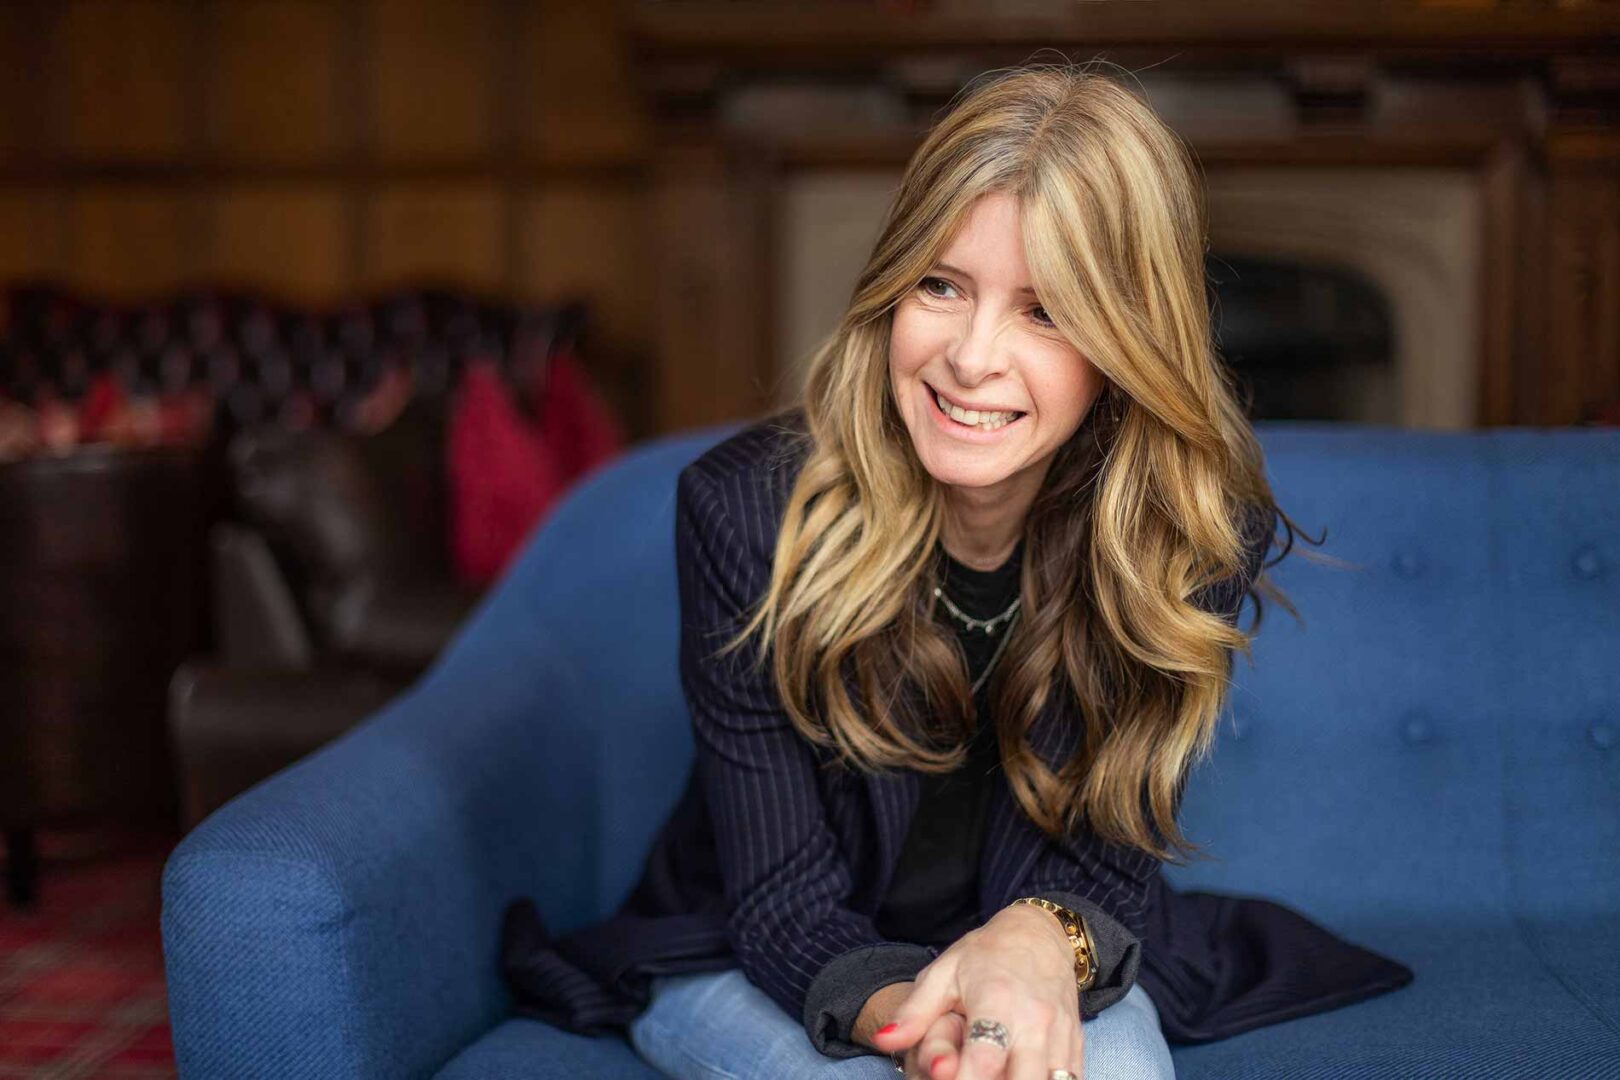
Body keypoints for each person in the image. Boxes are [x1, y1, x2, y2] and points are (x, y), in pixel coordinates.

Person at [499, 61, 1413, 1080]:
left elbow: (1110, 862)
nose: (973, 359)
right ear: (892, 285)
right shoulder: (746, 515)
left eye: (1046, 311)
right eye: (941, 285)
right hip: (764, 953)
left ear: (1126, 344)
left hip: (1037, 943)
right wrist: (927, 1025)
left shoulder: (1182, 537)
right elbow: (782, 904)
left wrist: (1032, 945)